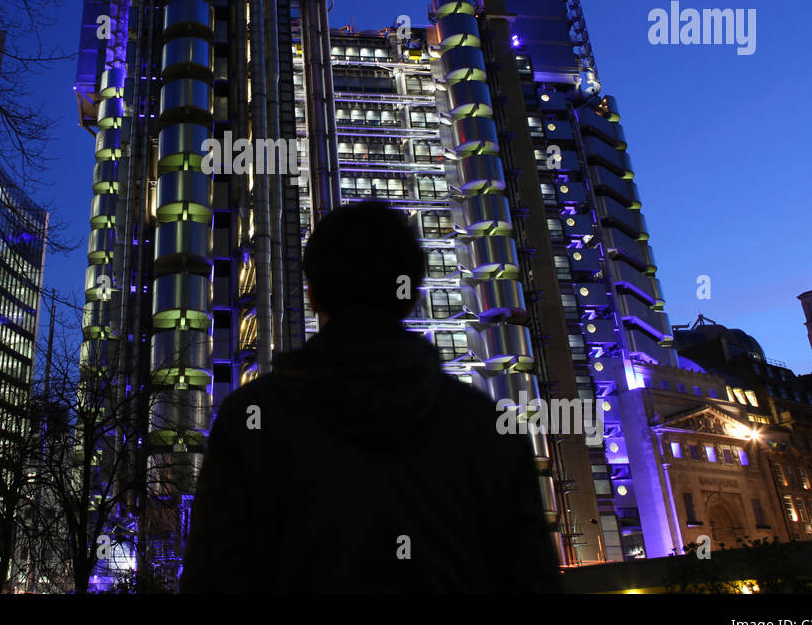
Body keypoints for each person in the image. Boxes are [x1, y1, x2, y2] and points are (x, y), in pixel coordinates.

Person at [180, 200, 562, 593]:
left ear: (312, 296)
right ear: (412, 295)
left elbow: (210, 578)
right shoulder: (488, 429)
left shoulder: (249, 420)